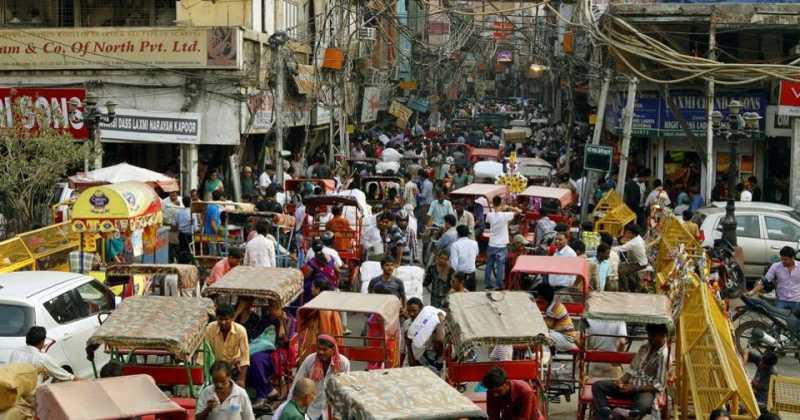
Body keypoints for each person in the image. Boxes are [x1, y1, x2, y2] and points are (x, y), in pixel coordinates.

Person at [592, 323, 669, 420]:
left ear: (663, 335)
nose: (650, 339)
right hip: (629, 385)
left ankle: (622, 415)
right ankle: (606, 416)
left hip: (645, 390)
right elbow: (632, 369)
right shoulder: (645, 347)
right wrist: (621, 381)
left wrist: (636, 388)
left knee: (643, 406)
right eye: (649, 335)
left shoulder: (664, 355)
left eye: (653, 336)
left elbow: (659, 384)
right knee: (597, 386)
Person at [291, 335, 351, 420]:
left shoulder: (343, 363)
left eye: (324, 349)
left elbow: (345, 389)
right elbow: (297, 382)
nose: (320, 352)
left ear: (333, 350)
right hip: (312, 408)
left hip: (333, 409)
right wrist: (289, 404)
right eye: (318, 349)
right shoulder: (310, 360)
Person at [9, 326, 75, 383]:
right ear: (42, 342)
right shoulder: (41, 357)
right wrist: (75, 379)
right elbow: (63, 375)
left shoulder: (15, 352)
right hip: (31, 393)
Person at [205, 304, 249, 387]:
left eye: (226, 319)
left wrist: (241, 379)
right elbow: (205, 353)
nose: (223, 322)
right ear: (216, 318)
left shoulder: (241, 331)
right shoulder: (210, 329)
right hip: (215, 369)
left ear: (232, 318)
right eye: (220, 319)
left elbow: (245, 357)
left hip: (233, 368)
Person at [485, 196, 521, 290]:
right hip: (501, 245)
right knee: (500, 266)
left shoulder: (490, 215)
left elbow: (488, 222)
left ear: (493, 203)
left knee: (489, 265)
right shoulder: (505, 215)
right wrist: (508, 207)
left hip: (491, 244)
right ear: (501, 203)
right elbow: (519, 211)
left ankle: (487, 284)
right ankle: (498, 285)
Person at [749, 246, 800, 311]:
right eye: (782, 259)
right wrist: (752, 292)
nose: (783, 261)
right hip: (781, 300)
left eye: (785, 259)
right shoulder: (776, 266)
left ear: (792, 258)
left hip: (797, 301)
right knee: (777, 320)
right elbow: (765, 281)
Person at [534, 284, 578, 352]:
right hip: (559, 335)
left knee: (542, 337)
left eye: (539, 300)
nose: (537, 302)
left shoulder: (554, 308)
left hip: (567, 339)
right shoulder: (552, 304)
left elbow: (546, 326)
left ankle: (543, 360)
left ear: (544, 299)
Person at [613, 224, 648, 292]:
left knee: (620, 271)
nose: (625, 234)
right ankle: (638, 286)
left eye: (627, 232)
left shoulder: (634, 243)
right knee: (622, 267)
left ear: (632, 234)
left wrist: (609, 249)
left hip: (640, 264)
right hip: (641, 262)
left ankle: (625, 290)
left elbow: (621, 248)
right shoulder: (638, 238)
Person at [449, 225, 478, 291]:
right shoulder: (474, 243)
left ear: (458, 234)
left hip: (460, 277)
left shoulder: (455, 245)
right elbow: (476, 255)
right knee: (471, 297)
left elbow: (454, 264)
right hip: (472, 275)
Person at [204, 190, 224, 255]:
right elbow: (213, 223)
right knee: (214, 253)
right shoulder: (214, 208)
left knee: (216, 252)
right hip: (212, 233)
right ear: (220, 197)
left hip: (209, 232)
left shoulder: (209, 206)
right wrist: (217, 233)